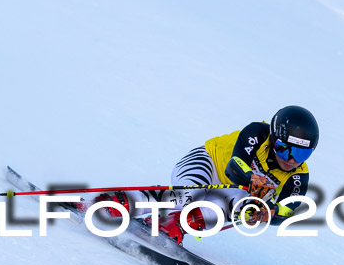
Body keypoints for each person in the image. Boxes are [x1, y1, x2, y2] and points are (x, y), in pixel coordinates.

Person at [97, 105, 319, 244]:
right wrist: (251, 177)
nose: (291, 159)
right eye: (284, 148)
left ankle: (175, 223)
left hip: (230, 193)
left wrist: (268, 212)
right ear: (273, 139)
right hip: (208, 164)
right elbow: (235, 165)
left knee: (247, 208)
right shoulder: (257, 133)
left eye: (301, 153)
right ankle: (123, 202)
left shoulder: (298, 177)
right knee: (188, 195)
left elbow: (288, 210)